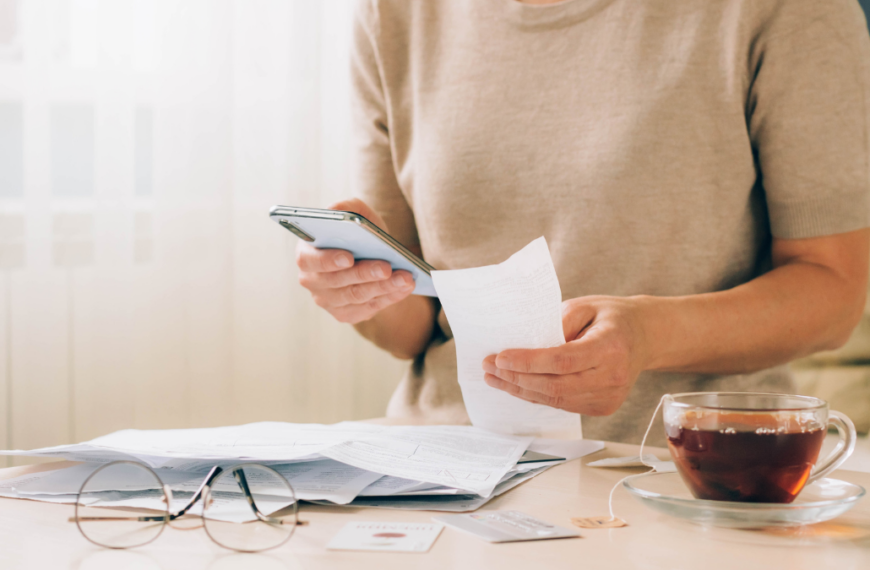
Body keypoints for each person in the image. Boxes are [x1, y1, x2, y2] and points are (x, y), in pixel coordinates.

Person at [296, 0, 870, 445]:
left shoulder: (788, 11)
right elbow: (415, 326)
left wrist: (649, 335)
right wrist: (359, 283)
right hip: (446, 466)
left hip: (691, 465)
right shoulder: (396, 13)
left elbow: (833, 291)